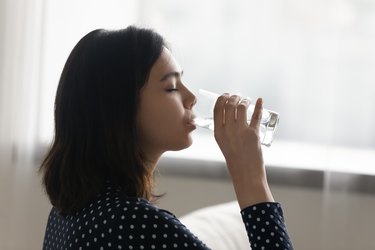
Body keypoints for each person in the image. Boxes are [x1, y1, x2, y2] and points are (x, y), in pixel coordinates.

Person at [40, 26, 294, 250]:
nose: (191, 97)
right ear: (120, 107)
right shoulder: (134, 224)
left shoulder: (67, 212)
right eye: (171, 87)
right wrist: (250, 175)